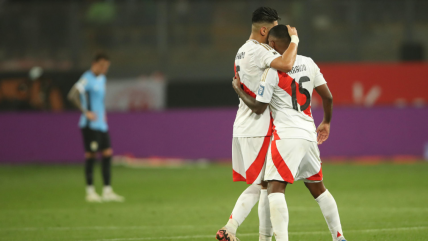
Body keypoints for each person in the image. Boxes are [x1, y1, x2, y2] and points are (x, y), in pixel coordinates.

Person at [232, 24, 346, 241]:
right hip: (308, 134)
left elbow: (258, 108)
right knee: (319, 189)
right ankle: (339, 237)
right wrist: (327, 123)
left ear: (272, 45)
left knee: (274, 188)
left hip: (285, 136)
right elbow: (328, 97)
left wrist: (238, 90)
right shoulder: (309, 63)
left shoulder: (273, 71)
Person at [216, 7, 299, 241]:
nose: (277, 34)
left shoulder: (241, 50)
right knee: (266, 186)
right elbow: (287, 64)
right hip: (258, 127)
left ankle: (233, 230)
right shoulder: (260, 51)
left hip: (245, 125)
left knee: (262, 184)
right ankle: (232, 229)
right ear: (264, 30)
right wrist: (294, 41)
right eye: (274, 29)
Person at [68, 53, 124, 203]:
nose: (105, 68)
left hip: (101, 124)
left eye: (107, 66)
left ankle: (107, 190)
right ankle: (90, 191)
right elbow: (72, 95)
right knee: (91, 156)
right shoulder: (87, 78)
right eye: (102, 65)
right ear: (94, 64)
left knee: (107, 153)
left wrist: (103, 113)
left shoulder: (102, 79)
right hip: (89, 125)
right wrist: (86, 112)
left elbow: (100, 99)